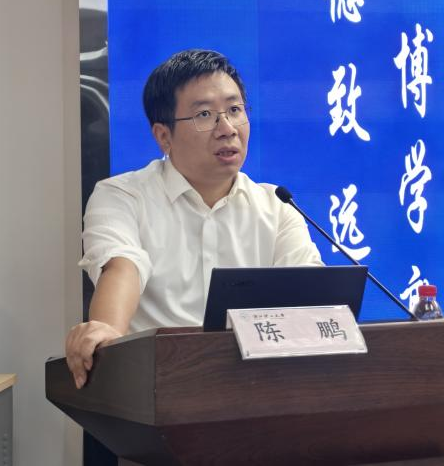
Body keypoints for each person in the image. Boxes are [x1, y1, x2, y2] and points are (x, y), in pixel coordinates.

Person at [66, 49, 323, 389]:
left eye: (235, 110)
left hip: (261, 390)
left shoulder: (277, 206)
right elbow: (123, 266)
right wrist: (107, 334)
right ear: (164, 136)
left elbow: (311, 298)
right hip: (157, 388)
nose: (227, 129)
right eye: (204, 114)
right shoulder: (122, 196)